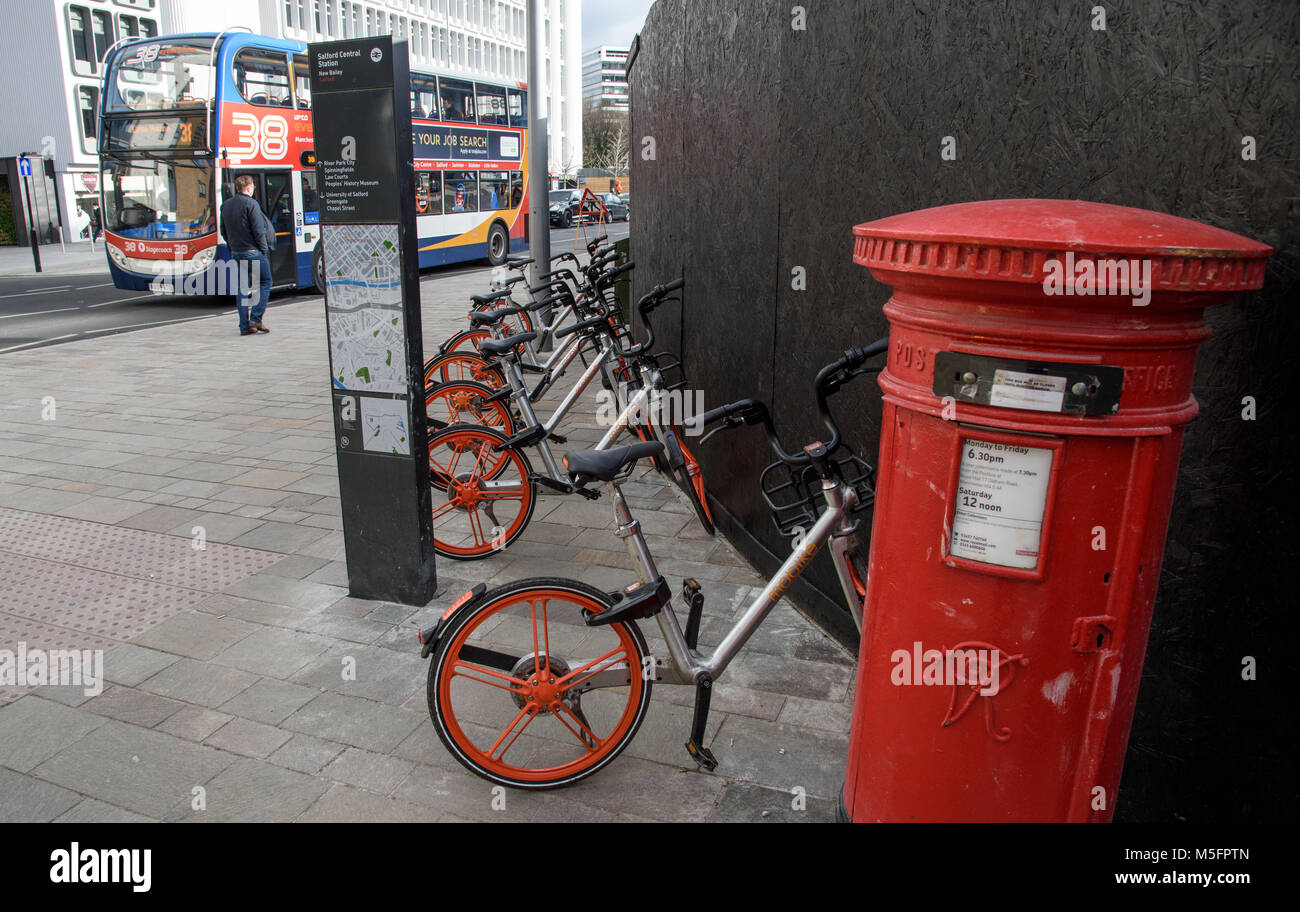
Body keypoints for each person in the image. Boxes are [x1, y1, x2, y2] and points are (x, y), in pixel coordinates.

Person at [219, 175, 274, 335]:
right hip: (253, 251)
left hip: (236, 252)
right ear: (249, 187)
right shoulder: (251, 204)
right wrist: (264, 250)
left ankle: (244, 326)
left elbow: (224, 231)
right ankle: (256, 318)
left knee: (242, 288)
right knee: (265, 281)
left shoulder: (226, 205)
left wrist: (232, 247)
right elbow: (258, 231)